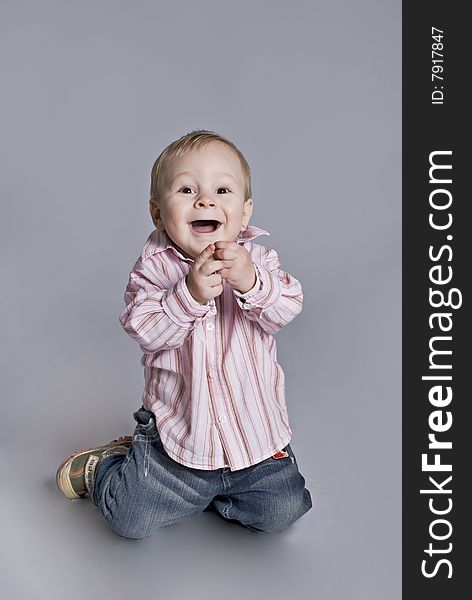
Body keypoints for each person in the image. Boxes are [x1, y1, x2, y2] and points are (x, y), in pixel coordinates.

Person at [56, 129, 313, 538]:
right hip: (180, 443)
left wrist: (251, 281)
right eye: (187, 189)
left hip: (255, 440)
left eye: (222, 189)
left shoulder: (258, 260)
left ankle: (219, 494)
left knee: (285, 509)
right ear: (158, 214)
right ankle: (107, 466)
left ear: (244, 212)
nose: (205, 201)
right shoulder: (154, 270)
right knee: (131, 519)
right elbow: (143, 328)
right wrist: (188, 295)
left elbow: (287, 307)